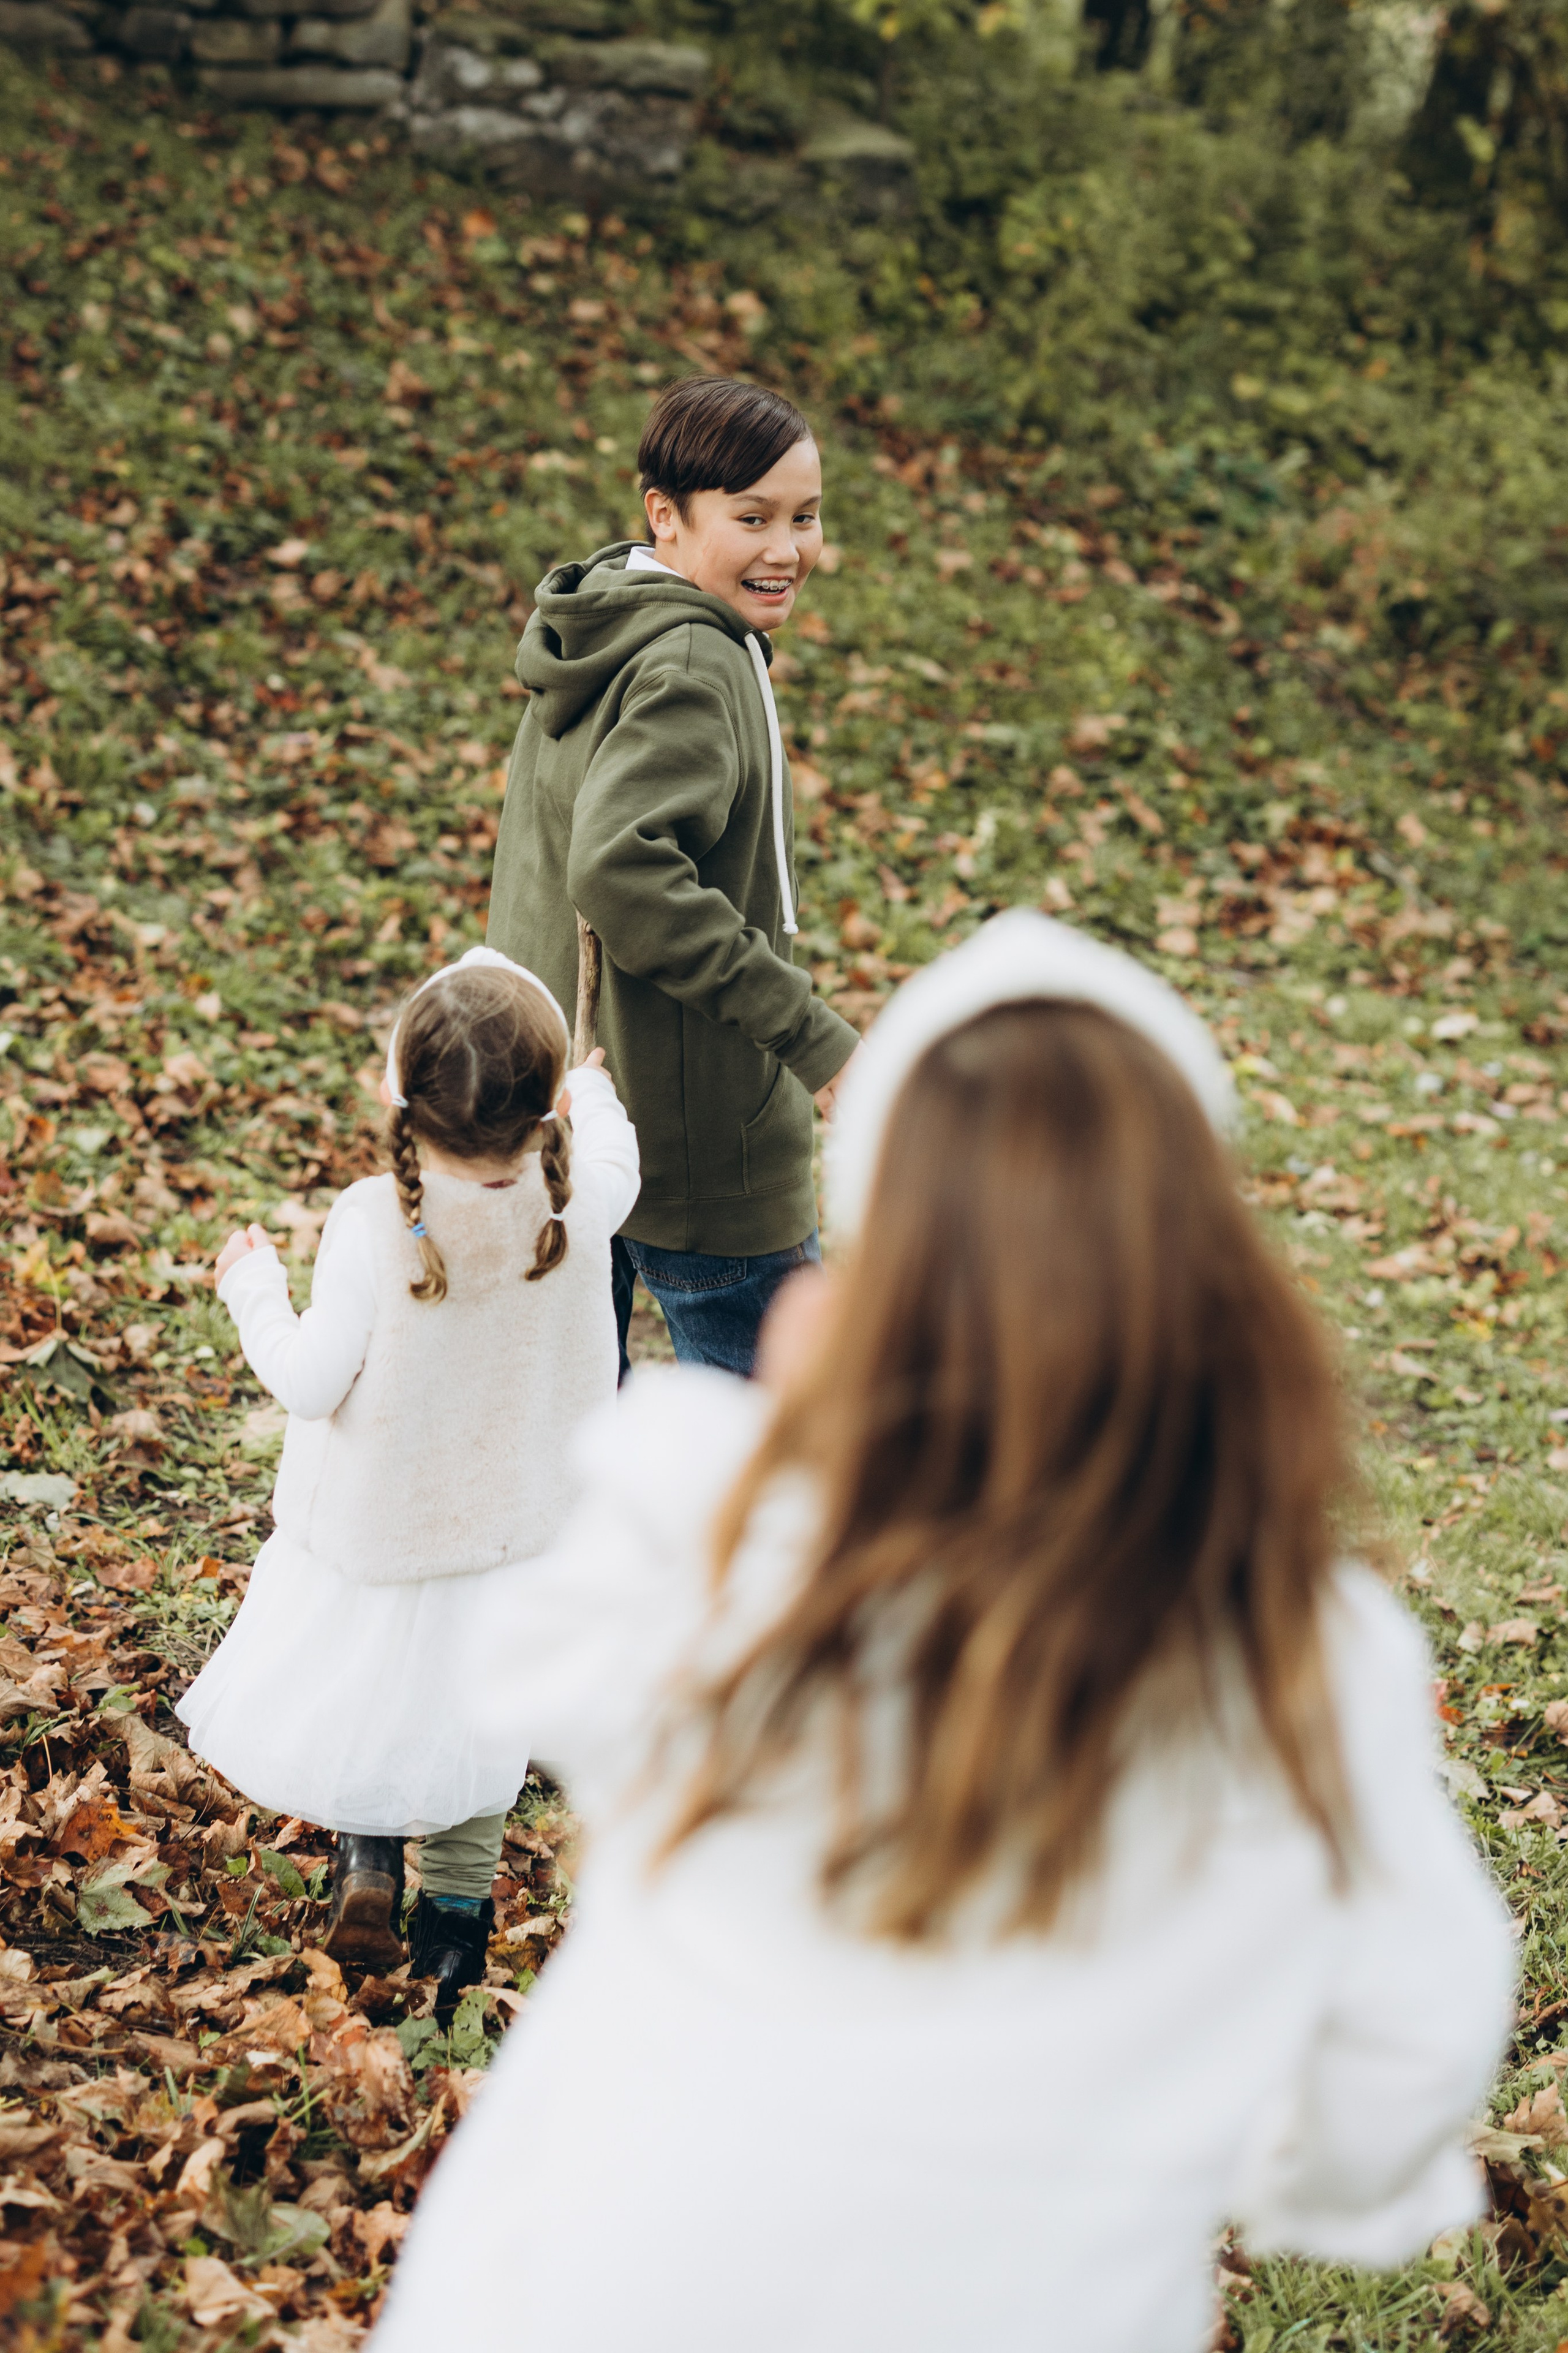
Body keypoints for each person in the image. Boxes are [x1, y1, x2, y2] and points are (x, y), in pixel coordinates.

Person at [372, 911, 1512, 2353]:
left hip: (607, 2282)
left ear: (876, 1265)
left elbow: (531, 1672)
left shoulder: (721, 1528)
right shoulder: (1305, 1658)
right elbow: (1417, 2025)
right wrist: (1271, 2167)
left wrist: (786, 1451)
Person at [181, 945, 639, 2018]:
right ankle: (454, 1933)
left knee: (381, 1698)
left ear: (395, 1096)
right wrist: (603, 1090)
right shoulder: (582, 1203)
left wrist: (252, 1284)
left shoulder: (372, 1219)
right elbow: (616, 1149)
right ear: (551, 1108)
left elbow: (308, 1379)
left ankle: (370, 1864)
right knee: (479, 1716)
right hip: (517, 1532)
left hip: (385, 1532)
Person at [486, 372, 861, 1381]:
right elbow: (621, 870)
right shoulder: (693, 662)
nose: (787, 549)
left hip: (565, 1112)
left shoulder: (606, 623)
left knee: (568, 1447)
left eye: (806, 516)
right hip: (698, 1149)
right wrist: (816, 1043)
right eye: (753, 517)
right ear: (668, 514)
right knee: (791, 1458)